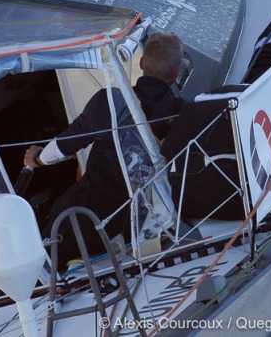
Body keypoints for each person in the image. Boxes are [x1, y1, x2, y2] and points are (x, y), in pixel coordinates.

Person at [23, 31, 185, 262]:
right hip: (148, 222)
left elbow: (65, 145)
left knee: (48, 240)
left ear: (140, 63)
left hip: (93, 221)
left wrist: (37, 158)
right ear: (177, 72)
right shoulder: (182, 111)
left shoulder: (108, 103)